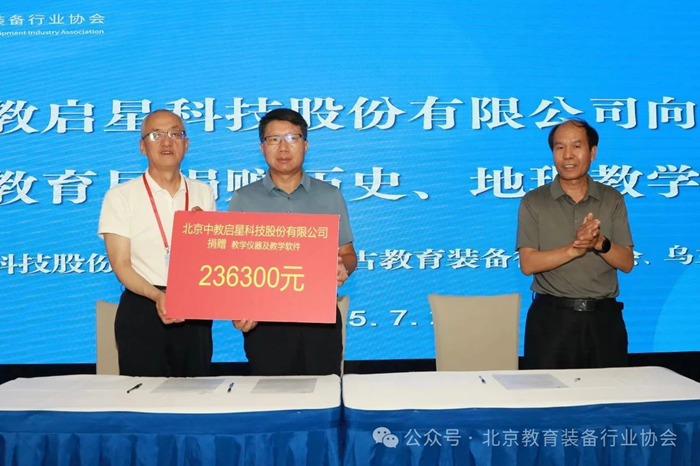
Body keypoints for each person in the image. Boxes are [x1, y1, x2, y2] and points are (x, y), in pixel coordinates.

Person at [228, 108, 357, 376]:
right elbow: (233, 265)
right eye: (274, 139)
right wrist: (238, 308)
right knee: (271, 397)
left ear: (306, 145)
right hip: (265, 324)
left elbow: (348, 253)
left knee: (323, 394)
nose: (283, 148)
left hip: (320, 321)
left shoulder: (330, 196)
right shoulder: (244, 199)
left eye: (292, 138)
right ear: (262, 148)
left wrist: (343, 267)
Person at [98, 109, 215, 377]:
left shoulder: (203, 192)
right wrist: (157, 296)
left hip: (192, 307)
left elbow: (208, 259)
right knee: (143, 394)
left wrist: (205, 236)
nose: (166, 142)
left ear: (186, 144)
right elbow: (121, 264)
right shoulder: (120, 196)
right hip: (143, 306)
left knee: (195, 392)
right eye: (156, 135)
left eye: (175, 134)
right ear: (142, 146)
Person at [516, 119, 634, 369]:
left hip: (604, 320)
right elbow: (528, 264)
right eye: (560, 147)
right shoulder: (534, 201)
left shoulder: (612, 198)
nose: (567, 155)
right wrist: (575, 249)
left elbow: (626, 263)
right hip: (552, 320)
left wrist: (599, 242)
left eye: (576, 146)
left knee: (609, 391)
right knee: (547, 392)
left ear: (593, 152)